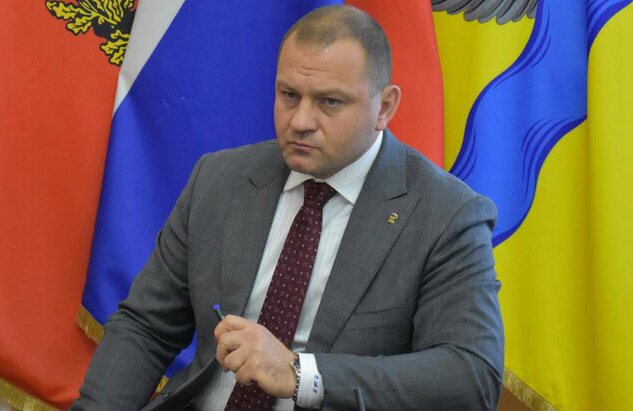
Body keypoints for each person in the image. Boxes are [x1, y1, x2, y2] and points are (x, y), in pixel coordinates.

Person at [72, 5, 503, 411]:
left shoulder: (444, 214)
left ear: (384, 107)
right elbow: (146, 327)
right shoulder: (219, 180)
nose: (300, 121)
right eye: (289, 95)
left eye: (330, 102)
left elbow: (471, 375)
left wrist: (301, 374)